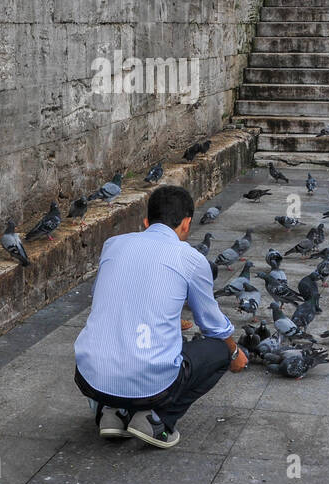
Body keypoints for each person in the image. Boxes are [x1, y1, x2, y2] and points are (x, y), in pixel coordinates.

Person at [73, 185, 246, 449]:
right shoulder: (191, 258)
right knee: (217, 350)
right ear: (186, 224)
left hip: (89, 376)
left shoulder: (113, 244)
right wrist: (234, 353)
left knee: (113, 333)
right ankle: (157, 421)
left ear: (146, 222)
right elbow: (212, 325)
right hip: (151, 383)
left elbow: (103, 299)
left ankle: (111, 412)